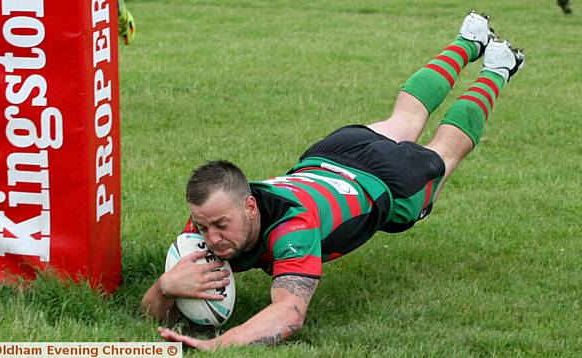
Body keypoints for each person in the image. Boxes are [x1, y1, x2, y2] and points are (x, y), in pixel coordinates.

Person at [141, 11, 525, 350]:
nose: (211, 238)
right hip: (330, 156)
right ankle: (469, 39)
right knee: (405, 118)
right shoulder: (211, 213)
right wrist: (165, 286)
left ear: (250, 206)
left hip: (390, 187)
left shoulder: (293, 229)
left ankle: (498, 66)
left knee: (447, 147)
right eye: (205, 227)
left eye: (221, 226)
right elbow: (152, 316)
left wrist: (219, 345)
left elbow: (289, 313)